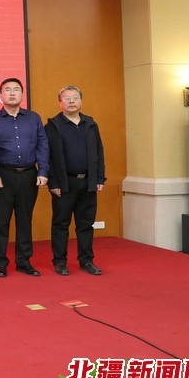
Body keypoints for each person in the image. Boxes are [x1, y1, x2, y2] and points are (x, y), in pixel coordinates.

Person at [0, 78, 49, 278]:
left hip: (29, 175)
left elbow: (42, 145)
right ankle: (0, 262)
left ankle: (24, 261)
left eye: (16, 89)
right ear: (0, 95)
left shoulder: (34, 118)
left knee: (25, 221)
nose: (12, 93)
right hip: (3, 176)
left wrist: (43, 171)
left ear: (22, 94)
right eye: (8, 90)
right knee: (1, 222)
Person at [45, 85, 105, 276]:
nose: (71, 101)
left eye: (75, 97)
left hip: (88, 182)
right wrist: (53, 183)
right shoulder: (53, 126)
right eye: (67, 98)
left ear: (81, 101)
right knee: (61, 224)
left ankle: (86, 260)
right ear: (60, 103)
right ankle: (60, 262)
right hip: (64, 183)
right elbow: (48, 157)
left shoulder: (91, 124)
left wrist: (99, 177)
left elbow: (99, 152)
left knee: (86, 224)